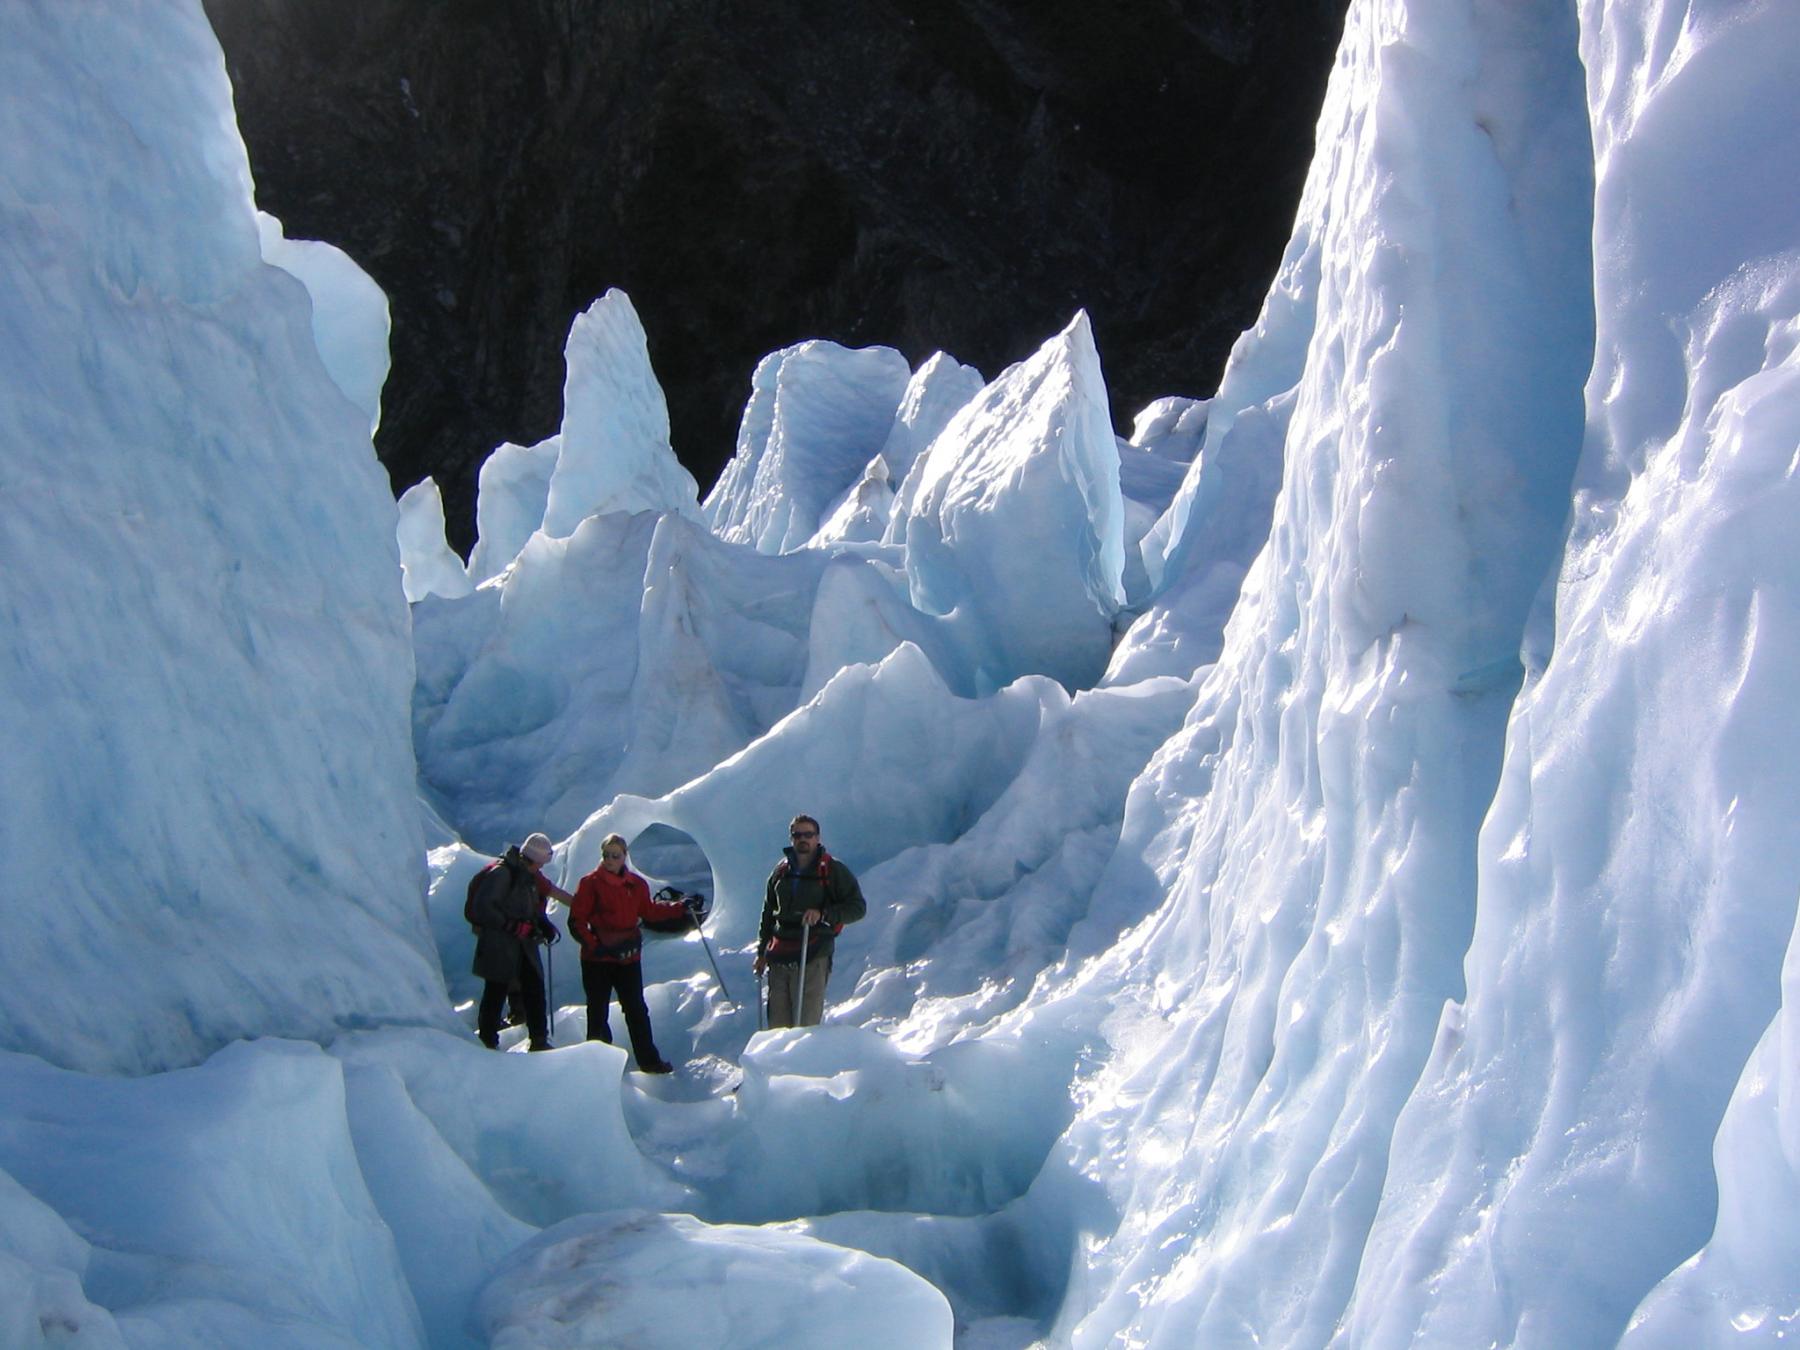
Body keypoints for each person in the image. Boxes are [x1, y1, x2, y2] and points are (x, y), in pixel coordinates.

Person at [568, 833, 689, 1073]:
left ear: (625, 856)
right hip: (597, 959)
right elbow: (577, 920)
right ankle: (597, 1063)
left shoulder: (636, 884)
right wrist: (594, 944)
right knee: (597, 1009)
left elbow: (649, 912)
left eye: (616, 855)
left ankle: (648, 1060)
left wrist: (678, 910)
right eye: (607, 855)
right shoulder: (590, 883)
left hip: (627, 957)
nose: (610, 859)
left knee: (636, 1008)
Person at [754, 814, 866, 1027]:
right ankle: (778, 1061)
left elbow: (857, 907)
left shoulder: (832, 870)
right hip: (780, 955)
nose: (802, 839)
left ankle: (802, 1060)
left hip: (812, 952)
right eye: (797, 835)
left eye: (808, 834)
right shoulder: (781, 871)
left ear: (818, 838)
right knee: (777, 1026)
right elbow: (768, 913)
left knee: (805, 1024)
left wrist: (823, 914)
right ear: (791, 838)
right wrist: (762, 952)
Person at [468, 832, 569, 1050]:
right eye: (539, 864)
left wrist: (542, 924)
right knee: (496, 991)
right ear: (531, 859)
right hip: (500, 945)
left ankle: (538, 1040)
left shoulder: (525, 875)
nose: (540, 869)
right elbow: (484, 907)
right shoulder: (503, 874)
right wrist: (512, 926)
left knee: (532, 989)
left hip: (521, 945)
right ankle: (488, 1041)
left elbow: (528, 907)